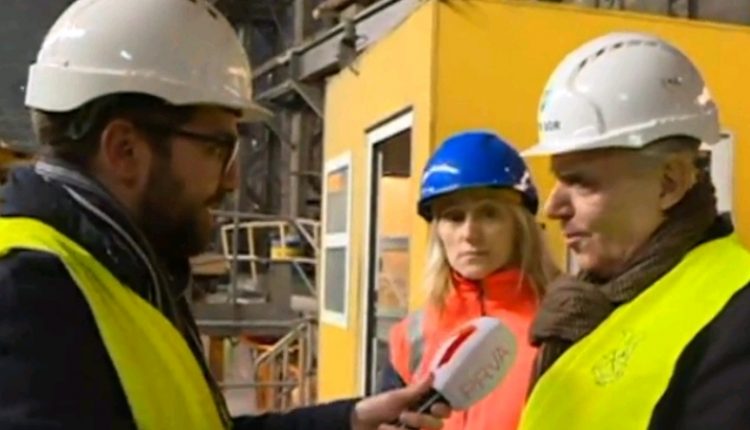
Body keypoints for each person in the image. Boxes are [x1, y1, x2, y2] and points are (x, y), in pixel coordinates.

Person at [0, 0, 451, 429]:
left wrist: (349, 422)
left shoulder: (115, 270)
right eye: (218, 148)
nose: (233, 179)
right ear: (125, 150)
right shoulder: (25, 294)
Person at [518, 32, 750, 430]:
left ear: (669, 183)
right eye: (558, 180)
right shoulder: (591, 306)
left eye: (581, 182)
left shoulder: (738, 319)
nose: (553, 208)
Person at [379, 130, 559, 429]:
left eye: (489, 214)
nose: (470, 234)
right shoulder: (411, 338)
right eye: (454, 217)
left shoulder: (559, 326)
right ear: (438, 231)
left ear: (519, 226)